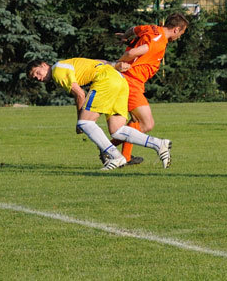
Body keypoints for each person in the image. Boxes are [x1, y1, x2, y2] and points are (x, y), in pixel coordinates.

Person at [27, 58, 172, 170]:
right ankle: (159, 144)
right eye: (35, 78)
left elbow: (79, 94)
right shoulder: (67, 63)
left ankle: (115, 156)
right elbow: (98, 62)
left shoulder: (57, 71)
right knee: (117, 130)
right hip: (120, 80)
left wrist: (80, 120)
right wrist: (115, 64)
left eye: (38, 73)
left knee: (85, 123)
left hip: (106, 80)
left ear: (45, 65)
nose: (39, 78)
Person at [113, 13, 188, 164]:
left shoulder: (152, 28)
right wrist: (116, 65)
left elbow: (133, 29)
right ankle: (108, 150)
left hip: (133, 82)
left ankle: (124, 156)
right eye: (181, 33)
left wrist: (125, 37)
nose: (180, 37)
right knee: (147, 124)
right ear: (176, 29)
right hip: (131, 81)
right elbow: (132, 53)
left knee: (136, 120)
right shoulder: (158, 42)